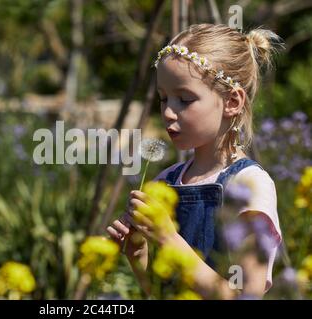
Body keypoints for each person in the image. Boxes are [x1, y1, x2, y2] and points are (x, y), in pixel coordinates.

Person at [107, 24, 283, 299]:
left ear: (232, 102)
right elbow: (160, 291)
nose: (167, 112)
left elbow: (245, 295)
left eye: (185, 99)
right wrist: (138, 254)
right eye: (164, 99)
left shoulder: (249, 185)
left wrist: (168, 238)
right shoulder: (165, 181)